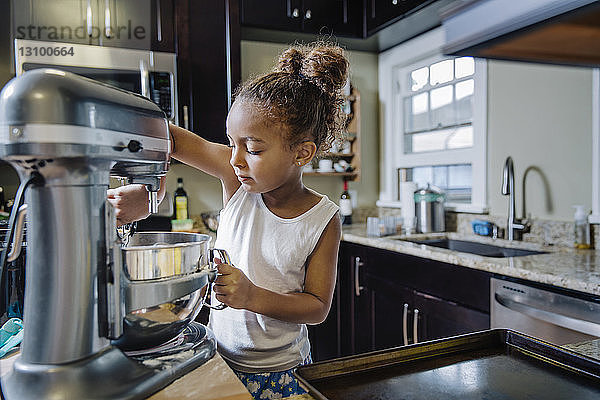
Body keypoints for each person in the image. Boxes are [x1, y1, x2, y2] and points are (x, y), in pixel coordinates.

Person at [108, 42, 349, 399]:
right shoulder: (236, 179)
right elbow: (167, 138)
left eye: (252, 149)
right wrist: (149, 192)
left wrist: (252, 295)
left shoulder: (323, 220)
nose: (235, 159)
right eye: (230, 143)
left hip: (282, 372)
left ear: (302, 153)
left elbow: (316, 307)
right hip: (217, 355)